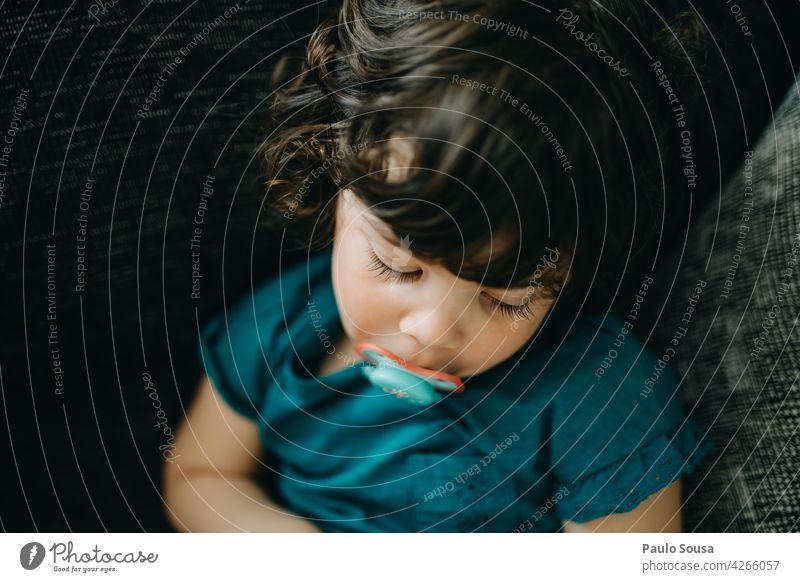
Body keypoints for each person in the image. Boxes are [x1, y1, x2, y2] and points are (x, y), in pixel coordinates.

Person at [163, 0, 713, 532]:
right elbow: (201, 475)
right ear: (332, 177)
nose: (431, 329)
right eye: (396, 266)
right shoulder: (276, 331)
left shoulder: (598, 399)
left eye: (505, 298)